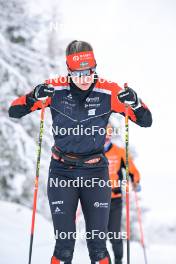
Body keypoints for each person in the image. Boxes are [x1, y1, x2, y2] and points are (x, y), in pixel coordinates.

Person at [8, 40, 152, 264]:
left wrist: (135, 103)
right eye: (77, 73)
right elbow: (14, 111)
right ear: (68, 71)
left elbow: (146, 120)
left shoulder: (109, 91)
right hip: (61, 171)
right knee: (64, 245)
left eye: (89, 72)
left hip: (95, 173)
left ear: (95, 68)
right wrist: (32, 97)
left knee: (98, 246)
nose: (84, 78)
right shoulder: (54, 88)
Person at [104, 127, 140, 264]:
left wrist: (135, 181)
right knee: (97, 235)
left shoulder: (119, 152)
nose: (105, 140)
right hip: (95, 200)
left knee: (114, 234)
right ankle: (103, 260)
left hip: (114, 199)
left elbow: (132, 170)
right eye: (103, 137)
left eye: (107, 137)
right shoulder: (92, 152)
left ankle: (118, 260)